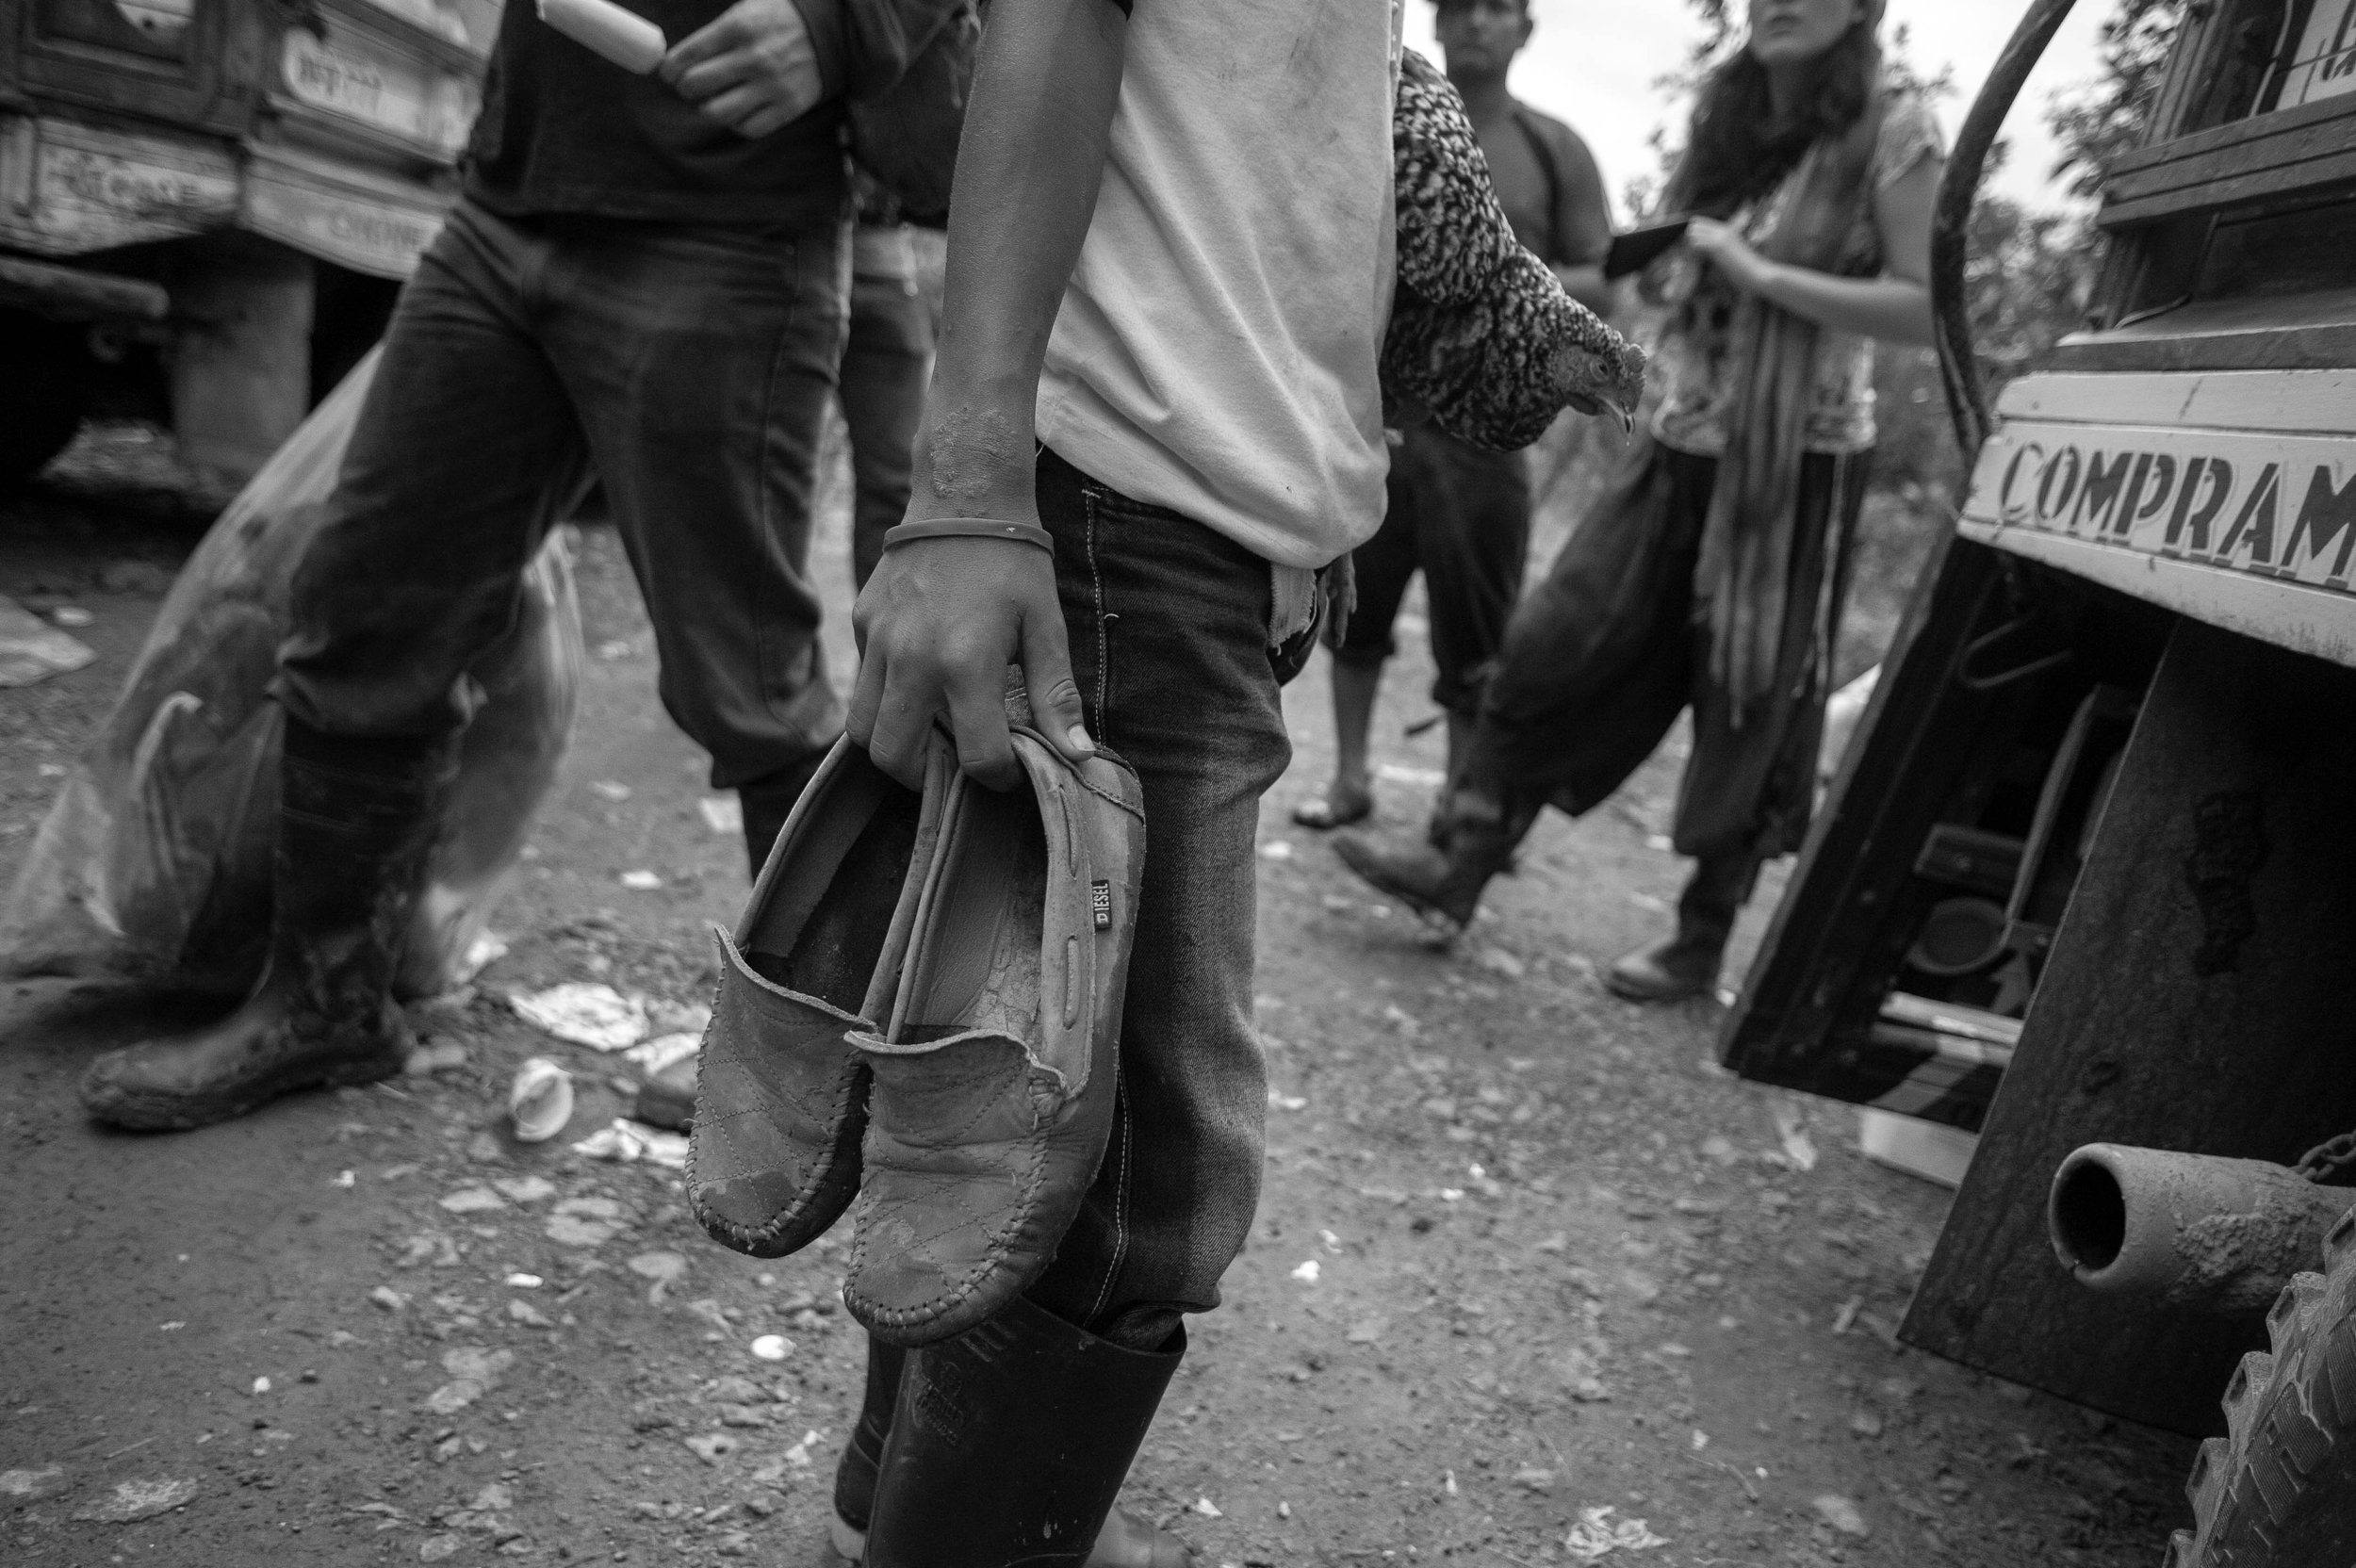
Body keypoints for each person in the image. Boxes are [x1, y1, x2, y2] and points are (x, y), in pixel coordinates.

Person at [77, 0, 966, 1132]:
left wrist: (845, 25)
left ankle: (806, 1053)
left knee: (745, 677)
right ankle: (323, 1001)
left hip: (727, 225)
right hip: (505, 204)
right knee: (365, 610)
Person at [835, 0, 1399, 1558]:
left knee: (1001, 1078)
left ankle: (887, 1509)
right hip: (1124, 494)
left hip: (1195, 506)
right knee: (1129, 1170)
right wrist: (964, 486)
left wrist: (1309, 498)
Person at [1338, 0, 1942, 1004]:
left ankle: (1703, 935)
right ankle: (1460, 861)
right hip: (1677, 438)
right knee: (1549, 643)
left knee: (1750, 687)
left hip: (1794, 461)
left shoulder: (1896, 127)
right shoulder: (1731, 118)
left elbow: (1922, 304)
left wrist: (1755, 269)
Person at [1295, 0, 1616, 834]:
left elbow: (1603, 279)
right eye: (1461, 8)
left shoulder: (1556, 148)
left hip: (1476, 440)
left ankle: (1457, 808)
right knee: (1353, 616)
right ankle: (1351, 779)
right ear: (1432, 25)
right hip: (1380, 410)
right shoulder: (1375, 100)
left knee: (1473, 635)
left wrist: (1500, 273)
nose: (1476, 23)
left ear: (1525, 31)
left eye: (1497, 9)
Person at [842, 172, 939, 591]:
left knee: (896, 482)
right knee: (764, 489)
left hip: (877, 266)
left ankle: (878, 649)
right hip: (763, 256)